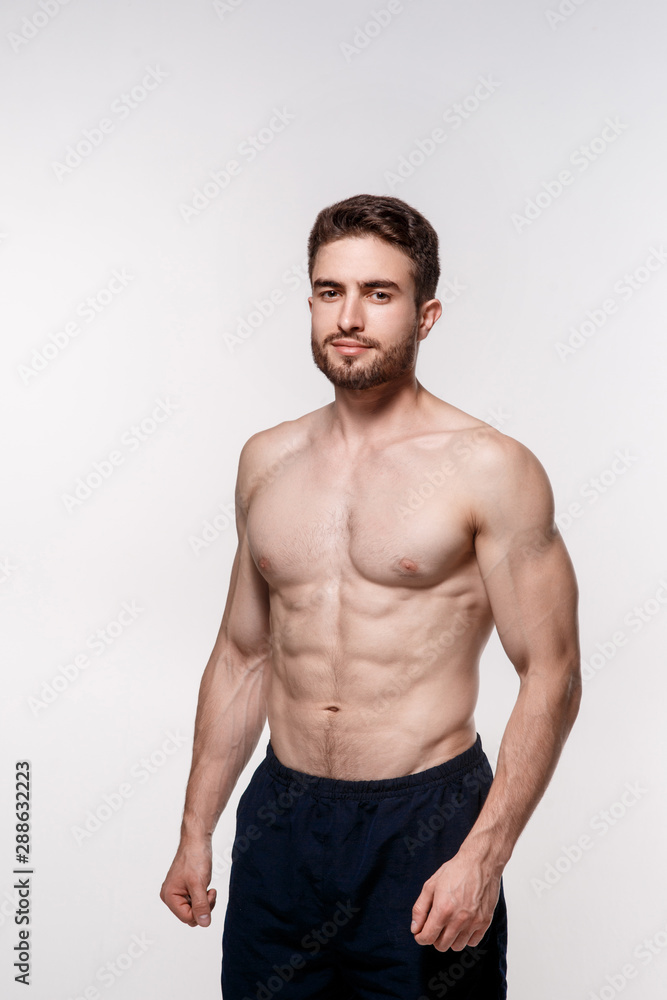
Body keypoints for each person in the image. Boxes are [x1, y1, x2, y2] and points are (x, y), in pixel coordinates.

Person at [160, 194, 582, 999]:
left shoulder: (490, 468)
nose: (348, 316)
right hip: (281, 822)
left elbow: (551, 673)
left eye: (378, 294)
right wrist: (194, 831)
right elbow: (242, 654)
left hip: (423, 824)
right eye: (329, 291)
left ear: (424, 316)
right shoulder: (266, 460)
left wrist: (482, 855)